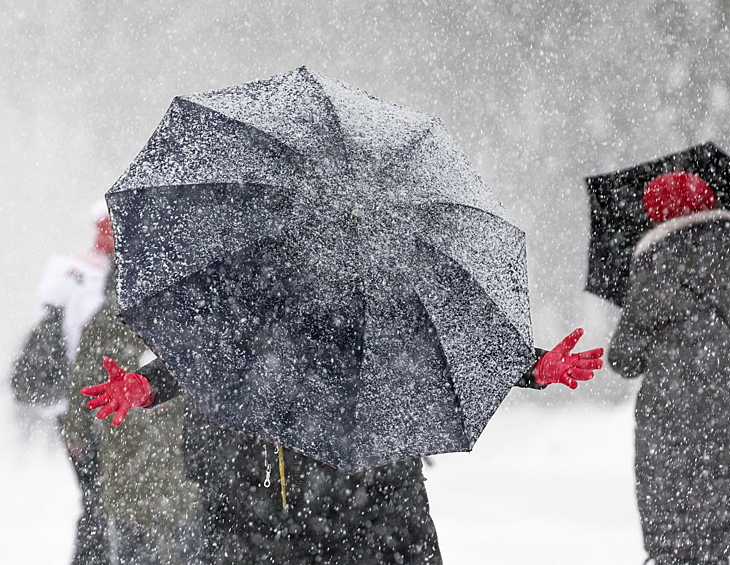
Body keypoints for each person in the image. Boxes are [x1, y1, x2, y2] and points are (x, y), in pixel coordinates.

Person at [81, 328, 602, 564]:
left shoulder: (389, 302)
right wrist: (148, 386)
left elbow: (455, 344)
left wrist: (531, 366)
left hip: (379, 507)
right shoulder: (264, 306)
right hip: (290, 515)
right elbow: (212, 352)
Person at [607, 171, 730, 565]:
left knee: (673, 536)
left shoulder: (651, 270)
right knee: (720, 531)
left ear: (658, 216)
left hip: (669, 414)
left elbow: (622, 359)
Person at [63, 265, 202, 565]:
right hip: (157, 452)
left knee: (141, 535)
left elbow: (81, 384)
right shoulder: (183, 312)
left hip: (138, 452)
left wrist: (77, 432)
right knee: (163, 534)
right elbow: (83, 384)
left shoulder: (106, 320)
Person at [10, 200, 113, 565]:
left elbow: (41, 332)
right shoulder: (111, 279)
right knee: (105, 500)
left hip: (74, 403)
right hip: (101, 402)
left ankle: (90, 557)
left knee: (96, 498)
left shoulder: (68, 272)